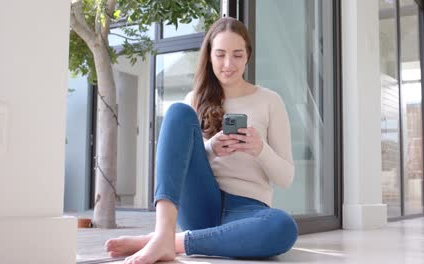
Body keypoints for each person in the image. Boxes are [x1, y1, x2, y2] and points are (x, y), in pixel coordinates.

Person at [105, 17, 298, 264]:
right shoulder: (194, 99)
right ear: (209, 56)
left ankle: (170, 241)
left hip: (248, 209)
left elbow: (286, 178)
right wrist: (211, 149)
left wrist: (260, 149)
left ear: (247, 55)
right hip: (200, 203)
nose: (229, 64)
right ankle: (164, 231)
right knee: (177, 111)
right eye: (220, 55)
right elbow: (176, 164)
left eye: (237, 55)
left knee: (283, 227)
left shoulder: (270, 101)